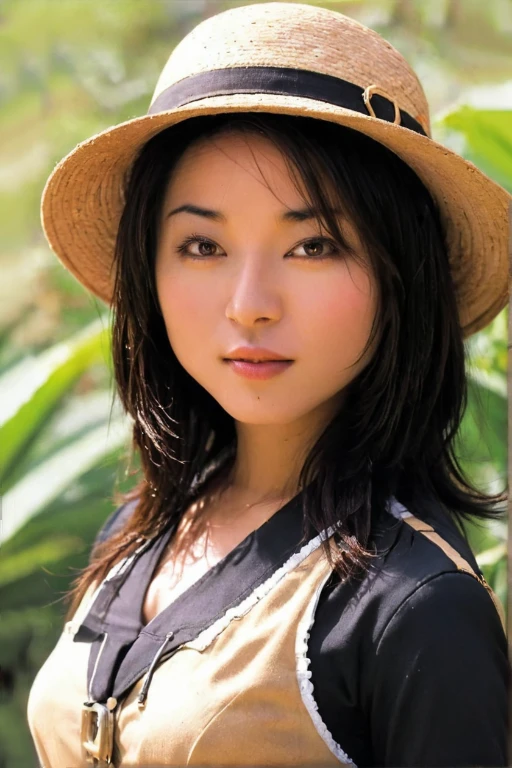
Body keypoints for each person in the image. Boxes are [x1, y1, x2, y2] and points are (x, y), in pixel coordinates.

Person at [26, 3, 510, 767]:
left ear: (400, 277)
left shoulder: (414, 611)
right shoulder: (138, 532)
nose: (250, 302)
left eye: (313, 244)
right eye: (203, 244)